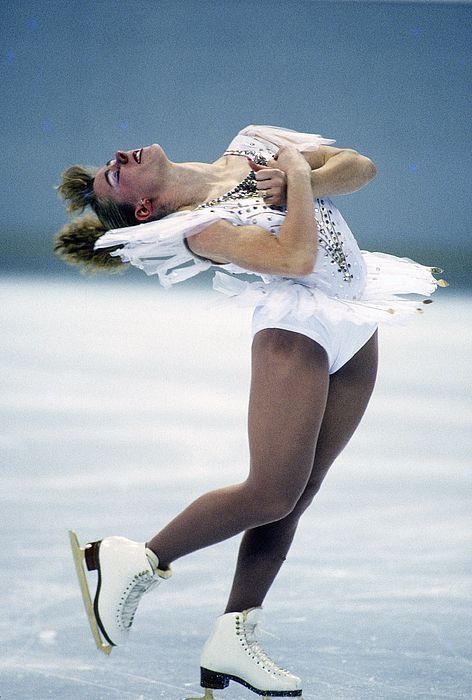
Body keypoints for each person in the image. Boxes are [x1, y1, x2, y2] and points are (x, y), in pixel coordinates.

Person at [56, 125, 445, 699]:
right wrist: (295, 177)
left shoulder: (250, 142)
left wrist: (301, 174)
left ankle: (234, 635)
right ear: (144, 206)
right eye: (115, 175)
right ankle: (135, 559)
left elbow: (359, 166)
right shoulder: (201, 228)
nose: (117, 156)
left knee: (302, 489)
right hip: (298, 329)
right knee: (271, 492)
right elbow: (295, 256)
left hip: (358, 319)